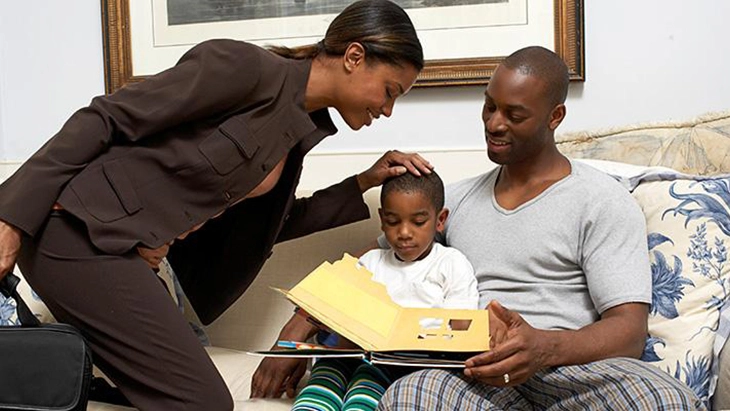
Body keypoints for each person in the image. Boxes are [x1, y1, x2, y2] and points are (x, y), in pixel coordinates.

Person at [0, 0, 431, 409]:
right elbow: (106, 117)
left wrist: (364, 182)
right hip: (75, 233)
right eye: (390, 91)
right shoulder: (245, 69)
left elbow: (272, 226)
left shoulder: (298, 132)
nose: (388, 110)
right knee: (204, 402)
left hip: (122, 253)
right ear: (354, 57)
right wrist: (12, 219)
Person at [375, 46, 706, 410]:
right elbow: (376, 267)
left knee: (663, 399)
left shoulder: (601, 199)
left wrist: (543, 347)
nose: (494, 123)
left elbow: (628, 331)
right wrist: (303, 328)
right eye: (489, 106)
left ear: (555, 116)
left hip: (573, 372)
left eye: (514, 114)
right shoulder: (449, 203)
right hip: (478, 374)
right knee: (409, 396)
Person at [290, 171, 479, 411]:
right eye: (393, 221)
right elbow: (340, 310)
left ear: (440, 220)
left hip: (404, 364)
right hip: (351, 352)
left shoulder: (451, 263)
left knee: (366, 383)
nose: (404, 233)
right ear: (382, 219)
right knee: (324, 377)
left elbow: (462, 324)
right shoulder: (370, 261)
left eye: (418, 222)